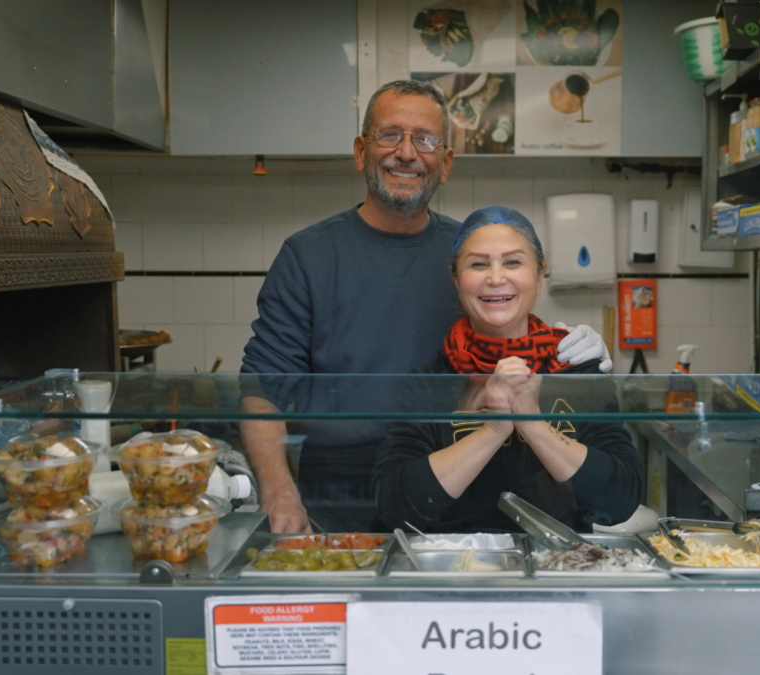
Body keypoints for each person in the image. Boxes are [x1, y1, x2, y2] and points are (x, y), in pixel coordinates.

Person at [239, 81, 612, 533]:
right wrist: (280, 493)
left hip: (450, 488)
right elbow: (263, 391)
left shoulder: (470, 254)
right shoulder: (308, 256)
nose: (407, 153)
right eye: (389, 134)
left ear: (446, 163)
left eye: (427, 139)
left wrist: (573, 353)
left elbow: (514, 339)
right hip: (337, 495)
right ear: (361, 151)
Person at [372, 206, 642, 533]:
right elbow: (395, 508)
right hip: (454, 568)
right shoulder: (425, 383)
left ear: (540, 277)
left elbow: (620, 501)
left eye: (513, 262)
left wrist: (534, 424)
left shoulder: (576, 370)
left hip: (555, 564)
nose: (496, 278)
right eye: (478, 264)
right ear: (456, 279)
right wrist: (493, 430)